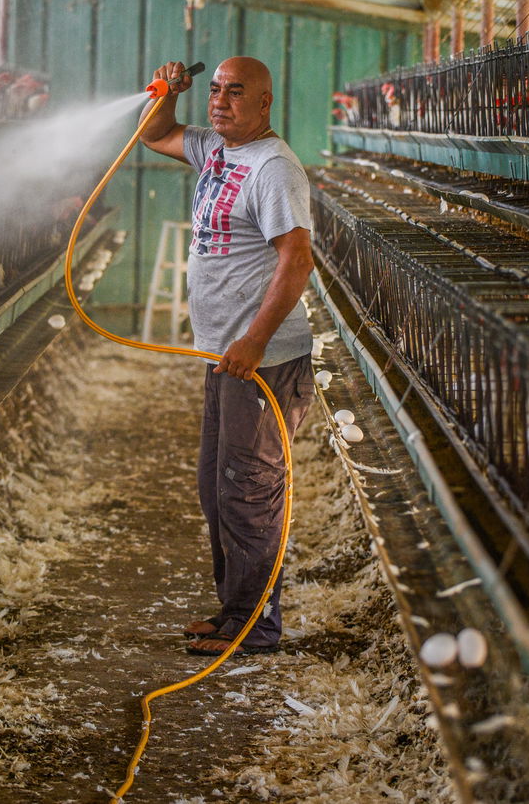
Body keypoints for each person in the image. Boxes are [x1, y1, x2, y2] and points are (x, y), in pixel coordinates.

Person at [139, 57, 316, 656]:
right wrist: (169, 92)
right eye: (214, 90)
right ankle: (234, 611)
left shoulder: (273, 168)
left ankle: (257, 626)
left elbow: (296, 259)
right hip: (226, 355)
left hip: (261, 361)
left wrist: (256, 340)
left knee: (248, 491)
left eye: (235, 93)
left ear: (264, 103)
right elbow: (154, 133)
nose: (220, 102)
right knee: (217, 490)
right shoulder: (215, 148)